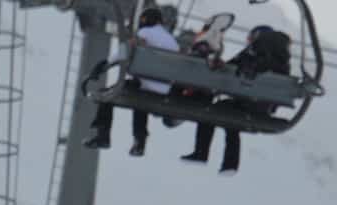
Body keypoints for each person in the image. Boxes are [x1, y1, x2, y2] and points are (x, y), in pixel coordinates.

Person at [181, 25, 291, 175]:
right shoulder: (282, 61)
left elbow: (231, 67)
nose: (249, 41)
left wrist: (220, 65)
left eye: (250, 38)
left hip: (246, 103)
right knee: (231, 123)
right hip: (262, 108)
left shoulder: (253, 53)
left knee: (209, 113)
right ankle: (230, 165)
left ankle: (202, 153)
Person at [83, 6, 182, 157]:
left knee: (107, 94)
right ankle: (139, 142)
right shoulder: (173, 42)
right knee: (140, 100)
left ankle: (103, 135)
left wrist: (104, 65)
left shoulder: (145, 33)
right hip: (164, 90)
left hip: (146, 85)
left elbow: (126, 50)